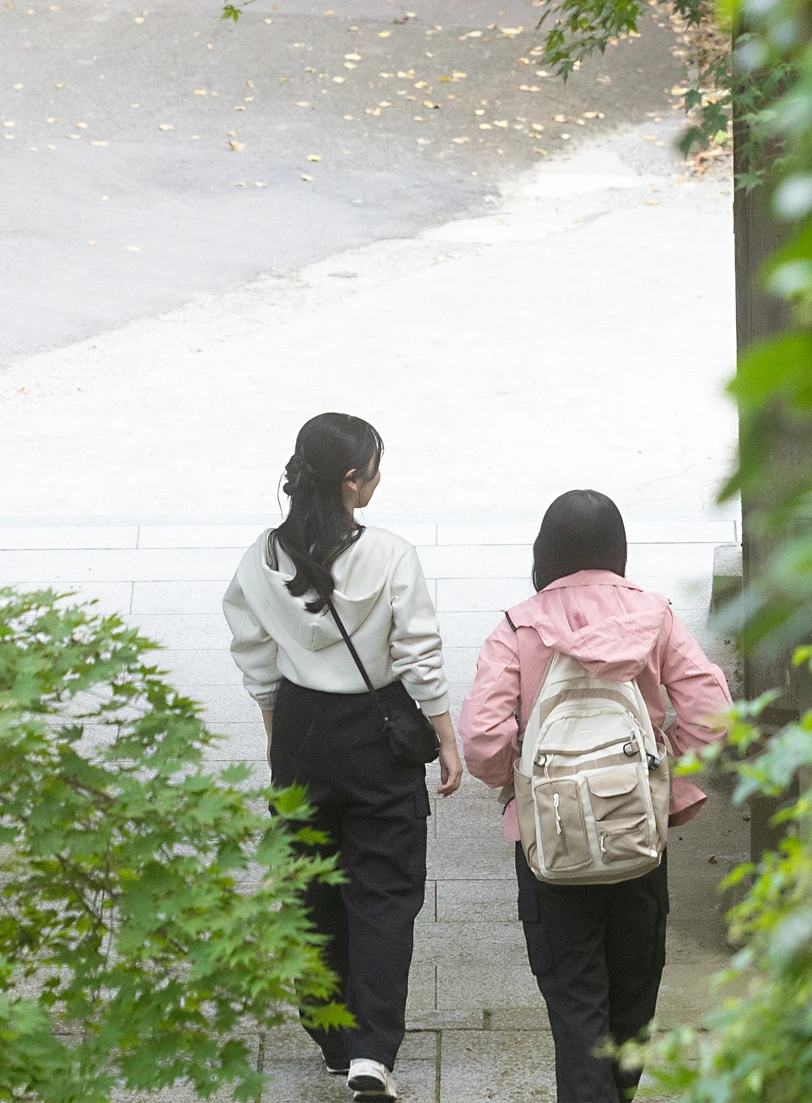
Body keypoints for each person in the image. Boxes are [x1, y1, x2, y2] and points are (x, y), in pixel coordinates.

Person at [459, 490, 731, 1103]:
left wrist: (519, 780)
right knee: (633, 996)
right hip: (638, 836)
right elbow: (713, 715)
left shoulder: (518, 627)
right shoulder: (655, 616)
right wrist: (662, 765)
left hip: (550, 843)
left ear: (544, 552)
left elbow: (481, 739)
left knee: (576, 1005)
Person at [224, 412, 462, 1101]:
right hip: (377, 729)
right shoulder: (390, 555)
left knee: (313, 885)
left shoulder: (263, 557)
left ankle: (331, 1036)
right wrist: (446, 736)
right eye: (375, 468)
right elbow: (418, 655)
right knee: (383, 890)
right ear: (353, 480)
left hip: (301, 723)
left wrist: (274, 727)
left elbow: (252, 648)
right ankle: (372, 1052)